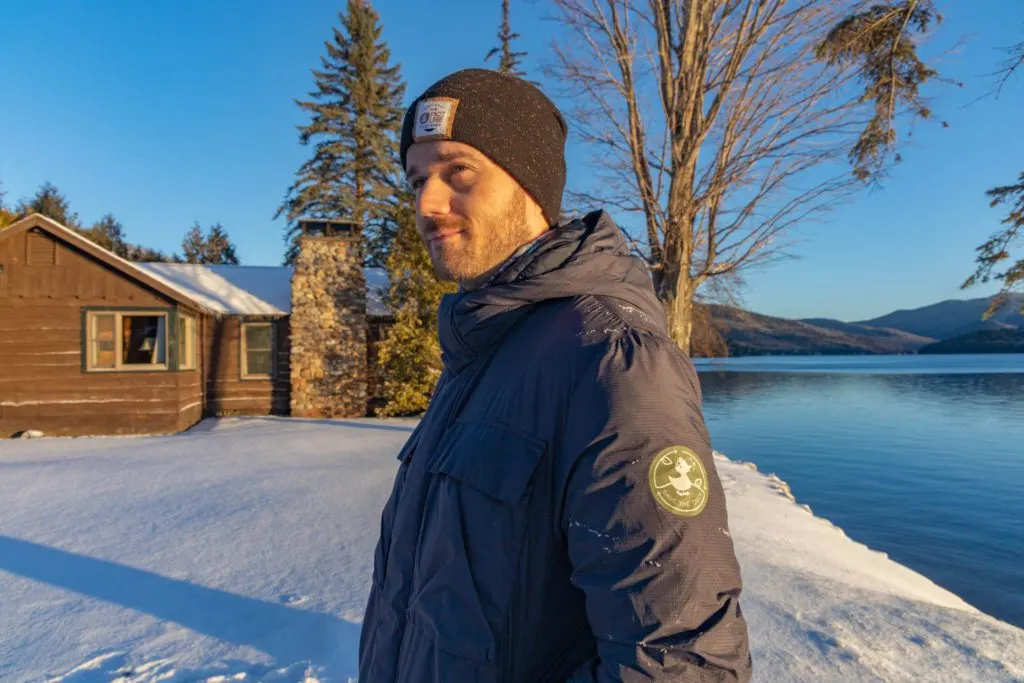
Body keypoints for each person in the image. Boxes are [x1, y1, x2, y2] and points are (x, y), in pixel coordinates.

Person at [359, 68, 752, 683]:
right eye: (416, 181)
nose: (427, 205)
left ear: (530, 186)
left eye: (458, 172)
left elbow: (679, 659)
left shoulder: (612, 360)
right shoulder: (487, 346)